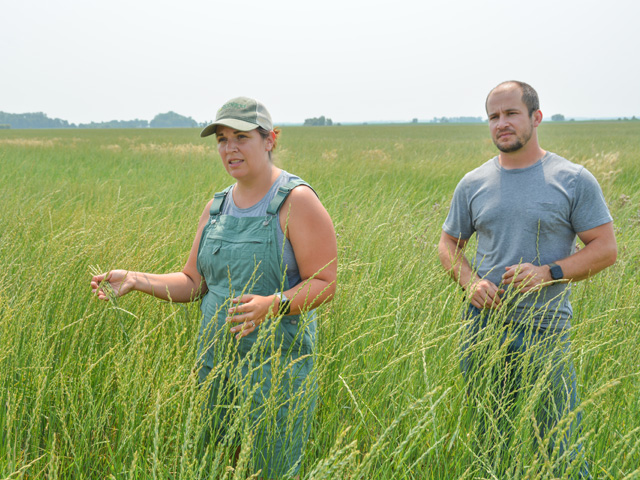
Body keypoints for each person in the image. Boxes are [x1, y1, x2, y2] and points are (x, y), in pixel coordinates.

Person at [91, 96, 337, 478]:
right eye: (222, 139)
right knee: (218, 464)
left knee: (271, 469)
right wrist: (137, 280)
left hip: (276, 372)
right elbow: (193, 282)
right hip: (215, 366)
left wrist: (273, 303)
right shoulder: (217, 208)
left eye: (241, 136)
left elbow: (325, 282)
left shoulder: (296, 200)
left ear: (270, 139)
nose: (229, 148)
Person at [438, 81, 616, 475]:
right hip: (483, 330)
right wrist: (470, 283)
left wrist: (549, 272)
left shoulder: (572, 179)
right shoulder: (473, 183)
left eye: (511, 113)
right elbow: (448, 244)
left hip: (545, 332)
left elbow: (605, 248)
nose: (502, 123)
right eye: (494, 116)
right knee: (489, 443)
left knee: (560, 447)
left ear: (536, 117)